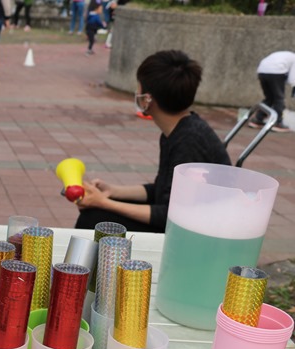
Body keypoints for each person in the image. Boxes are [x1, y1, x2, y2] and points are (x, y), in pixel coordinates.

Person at [74, 50, 232, 233]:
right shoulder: (179, 130)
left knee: (94, 218)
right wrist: (112, 191)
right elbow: (162, 190)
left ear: (147, 99)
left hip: (198, 232)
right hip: (183, 219)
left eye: (139, 88)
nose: (136, 92)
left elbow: (170, 215)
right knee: (97, 211)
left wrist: (104, 203)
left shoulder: (189, 141)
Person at [249, 51, 295, 134]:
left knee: (269, 98)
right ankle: (277, 123)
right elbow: (293, 78)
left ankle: (257, 119)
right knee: (279, 99)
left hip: (261, 71)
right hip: (276, 72)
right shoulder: (294, 58)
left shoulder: (286, 55)